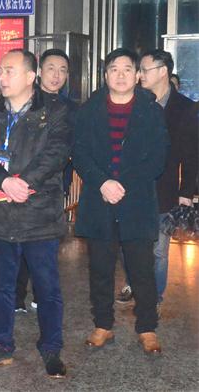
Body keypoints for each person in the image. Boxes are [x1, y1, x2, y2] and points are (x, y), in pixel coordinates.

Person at [0, 49, 69, 378]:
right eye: (0, 71)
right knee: (1, 286)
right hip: (0, 215)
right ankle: (0, 345)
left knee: (47, 287)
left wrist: (23, 183)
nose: (2, 77)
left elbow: (56, 153)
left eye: (9, 71)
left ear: (30, 76)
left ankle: (51, 348)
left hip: (39, 213)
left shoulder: (54, 111)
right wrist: (3, 181)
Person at [73, 48, 168, 355]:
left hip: (136, 200)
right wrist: (103, 182)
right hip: (99, 199)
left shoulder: (151, 111)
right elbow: (79, 152)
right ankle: (103, 325)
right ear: (105, 75)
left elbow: (158, 158)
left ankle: (147, 328)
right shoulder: (89, 110)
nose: (121, 75)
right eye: (114, 69)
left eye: (127, 69)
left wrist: (122, 184)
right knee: (100, 268)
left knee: (142, 269)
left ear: (137, 75)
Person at [115, 50, 197, 309]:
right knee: (127, 242)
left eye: (144, 70)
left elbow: (192, 154)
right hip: (131, 186)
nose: (139, 75)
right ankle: (132, 281)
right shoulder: (133, 101)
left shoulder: (186, 108)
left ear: (163, 72)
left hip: (165, 188)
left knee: (159, 249)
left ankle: (154, 297)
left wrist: (186, 192)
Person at [15, 48, 72, 314]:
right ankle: (17, 296)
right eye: (51, 68)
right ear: (39, 72)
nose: (56, 75)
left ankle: (41, 294)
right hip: (23, 183)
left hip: (54, 185)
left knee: (47, 245)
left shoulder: (70, 108)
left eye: (62, 70)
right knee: (20, 242)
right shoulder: (24, 100)